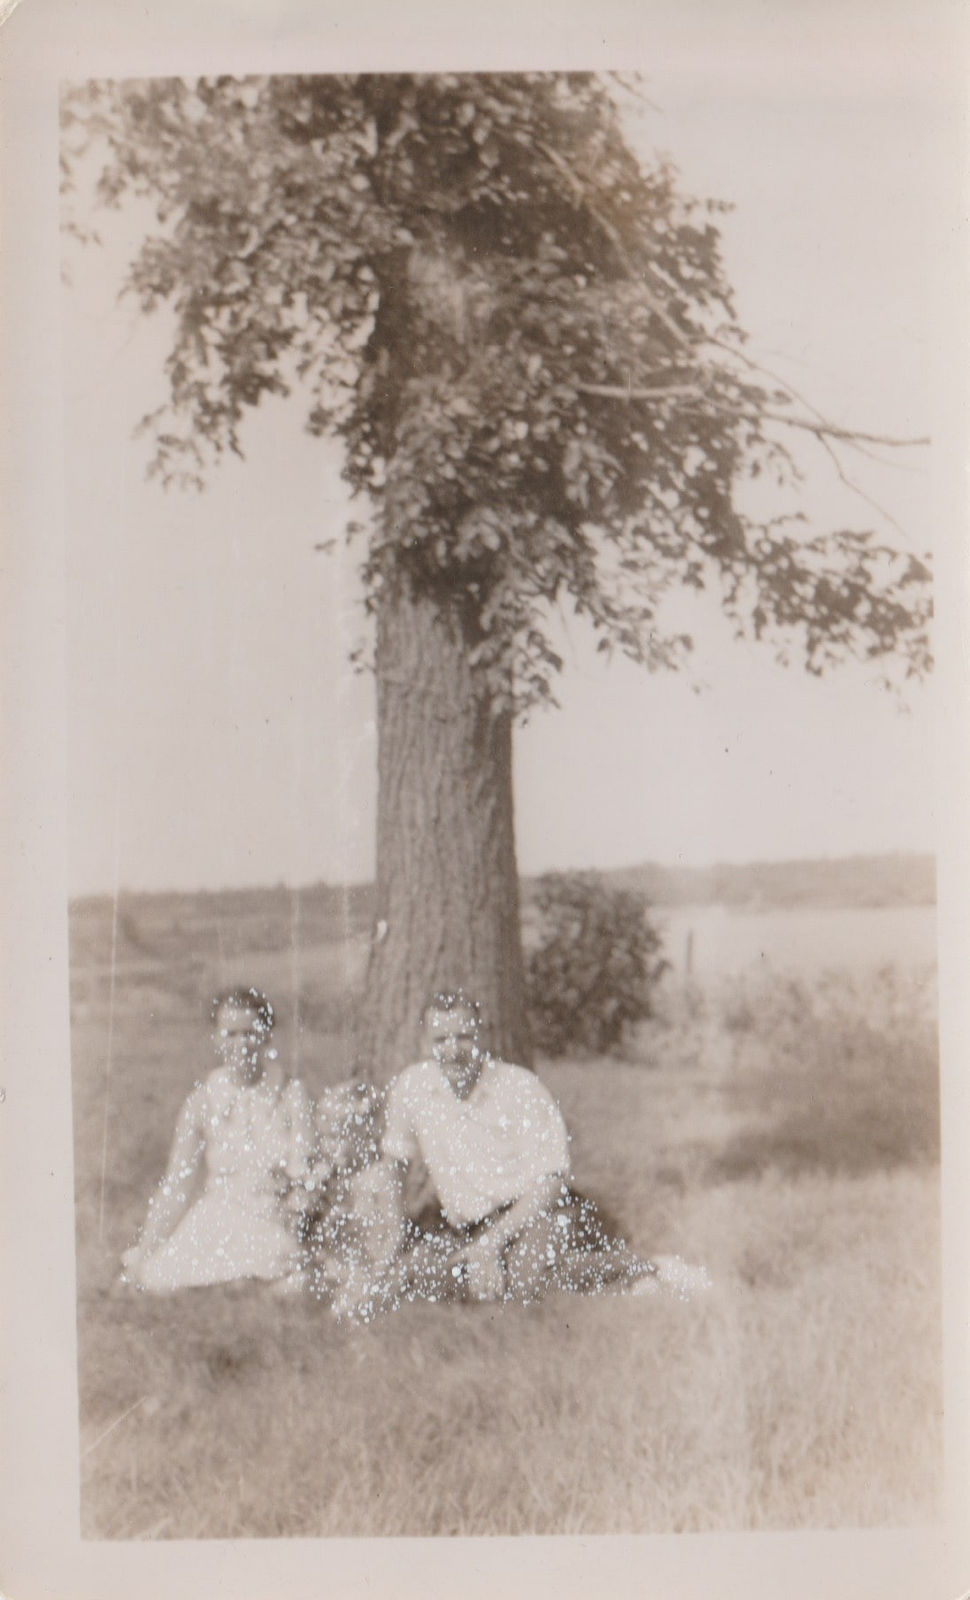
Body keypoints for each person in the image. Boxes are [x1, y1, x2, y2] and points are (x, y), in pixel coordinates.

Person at [330, 990, 667, 1318]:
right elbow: (394, 1164)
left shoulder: (519, 1088)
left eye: (464, 1037)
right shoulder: (413, 1087)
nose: (453, 1050)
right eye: (440, 1040)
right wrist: (393, 1237)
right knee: (445, 1285)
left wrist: (491, 1244)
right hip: (467, 1226)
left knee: (524, 1284)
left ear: (482, 1036)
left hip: (535, 1214)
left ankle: (644, 1269)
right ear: (424, 1044)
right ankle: (479, 1269)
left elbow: (552, 1183)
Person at [121, 987, 317, 1293]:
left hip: (272, 1214)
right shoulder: (202, 1100)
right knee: (161, 1279)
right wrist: (144, 1252)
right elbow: (177, 1184)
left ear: (266, 1036)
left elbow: (303, 1171)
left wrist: (297, 1223)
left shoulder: (291, 1094)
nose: (242, 1044)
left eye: (250, 1033)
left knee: (271, 1279)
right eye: (231, 1034)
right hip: (218, 1214)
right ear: (217, 1039)